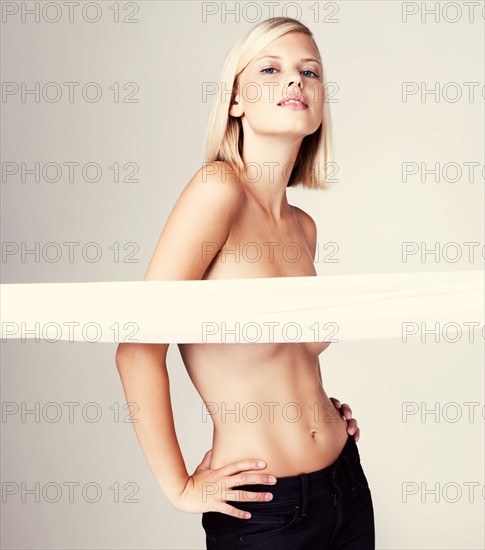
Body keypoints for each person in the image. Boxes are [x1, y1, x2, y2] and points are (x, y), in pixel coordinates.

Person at [115, 16, 375, 549]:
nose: (295, 81)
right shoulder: (217, 191)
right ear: (236, 100)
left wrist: (324, 414)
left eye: (310, 71)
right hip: (266, 510)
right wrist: (180, 488)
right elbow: (136, 347)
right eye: (271, 68)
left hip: (345, 486)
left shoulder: (303, 226)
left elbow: (290, 361)